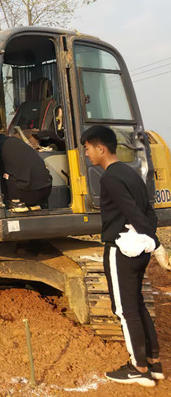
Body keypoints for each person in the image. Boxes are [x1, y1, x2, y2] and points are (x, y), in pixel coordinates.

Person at [81, 125, 161, 387]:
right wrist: (150, 240)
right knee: (136, 304)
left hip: (121, 250)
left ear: (101, 148)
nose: (86, 154)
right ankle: (154, 362)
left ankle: (138, 368)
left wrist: (157, 244)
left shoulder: (110, 178)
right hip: (138, 250)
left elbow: (133, 212)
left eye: (88, 149)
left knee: (125, 310)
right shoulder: (131, 172)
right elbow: (149, 211)